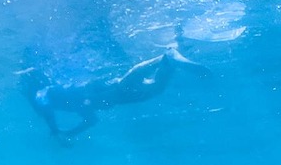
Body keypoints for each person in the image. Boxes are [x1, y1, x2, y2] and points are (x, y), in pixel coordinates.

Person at [21, 43, 209, 140]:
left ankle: (168, 57)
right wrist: (69, 132)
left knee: (141, 85)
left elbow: (46, 105)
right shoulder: (74, 103)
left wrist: (58, 131)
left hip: (113, 94)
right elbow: (91, 120)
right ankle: (170, 58)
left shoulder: (52, 93)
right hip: (117, 95)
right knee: (154, 87)